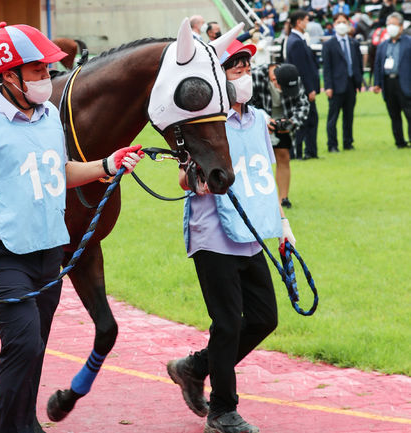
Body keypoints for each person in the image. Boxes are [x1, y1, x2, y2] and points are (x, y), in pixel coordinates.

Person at [0, 22, 143, 433]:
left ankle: (25, 425)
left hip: (48, 251)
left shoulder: (49, 116)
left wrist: (108, 164)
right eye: (37, 71)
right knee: (24, 343)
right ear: (9, 75)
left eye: (47, 69)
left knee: (35, 348)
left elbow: (58, 171)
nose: (47, 77)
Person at [166, 39, 295, 433]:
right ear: (215, 78)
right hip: (213, 234)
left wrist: (283, 227)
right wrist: (198, 181)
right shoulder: (204, 122)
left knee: (263, 318)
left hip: (251, 232)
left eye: (246, 66)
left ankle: (194, 367)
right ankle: (222, 411)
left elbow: (264, 178)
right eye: (234, 67)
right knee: (227, 323)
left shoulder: (257, 119)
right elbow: (182, 178)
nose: (243, 73)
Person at [252, 62, 310, 208]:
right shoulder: (256, 75)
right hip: (259, 120)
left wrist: (292, 122)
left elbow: (303, 104)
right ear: (275, 81)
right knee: (256, 161)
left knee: (284, 156)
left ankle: (283, 198)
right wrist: (264, 119)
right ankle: (258, 199)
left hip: (283, 118)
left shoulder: (291, 75)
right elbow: (245, 103)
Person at [322, 13, 364, 152]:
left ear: (348, 24)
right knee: (333, 117)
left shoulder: (353, 42)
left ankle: (348, 142)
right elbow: (326, 68)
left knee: (349, 116)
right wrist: (328, 86)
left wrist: (359, 82)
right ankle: (332, 145)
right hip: (335, 86)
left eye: (344, 21)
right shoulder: (329, 44)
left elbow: (358, 63)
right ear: (334, 25)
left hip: (351, 84)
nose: (341, 24)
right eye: (339, 22)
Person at [373, 12, 411, 148]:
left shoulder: (408, 42)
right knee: (394, 114)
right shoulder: (383, 45)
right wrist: (376, 83)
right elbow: (377, 65)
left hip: (405, 82)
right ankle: (399, 141)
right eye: (388, 25)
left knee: (409, 113)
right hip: (388, 83)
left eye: (394, 25)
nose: (390, 28)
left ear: (401, 27)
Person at [286, 10, 320, 159]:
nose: (308, 23)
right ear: (299, 22)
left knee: (310, 119)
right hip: (303, 89)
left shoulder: (297, 39)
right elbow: (302, 69)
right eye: (306, 20)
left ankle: (310, 152)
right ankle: (299, 152)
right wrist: (309, 89)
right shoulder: (296, 42)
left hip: (302, 88)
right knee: (305, 121)